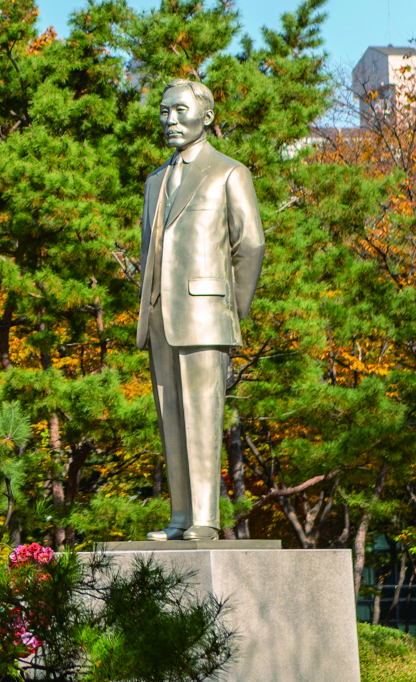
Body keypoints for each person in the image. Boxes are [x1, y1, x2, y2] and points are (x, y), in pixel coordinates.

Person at [135, 78, 264, 542]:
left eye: (180, 111)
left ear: (206, 117)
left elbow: (251, 244)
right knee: (171, 419)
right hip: (159, 317)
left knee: (203, 418)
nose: (170, 120)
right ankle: (180, 517)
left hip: (207, 316)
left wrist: (230, 310)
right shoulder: (155, 181)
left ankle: (205, 519)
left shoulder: (229, 172)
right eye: (164, 111)